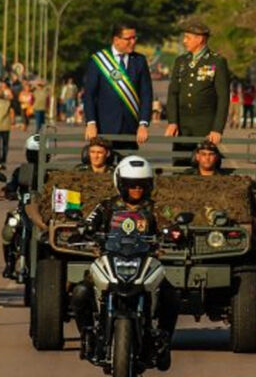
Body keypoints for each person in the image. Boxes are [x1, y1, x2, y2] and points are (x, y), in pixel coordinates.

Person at [70, 156, 177, 371]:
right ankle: (87, 335)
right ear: (120, 184)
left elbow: (171, 222)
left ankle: (164, 341)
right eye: (131, 184)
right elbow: (88, 222)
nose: (136, 189)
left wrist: (175, 233)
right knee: (81, 291)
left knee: (170, 295)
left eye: (141, 185)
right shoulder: (106, 206)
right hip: (109, 260)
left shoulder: (156, 208)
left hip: (144, 262)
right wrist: (82, 230)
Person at [165, 20, 230, 163]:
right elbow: (173, 93)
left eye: (188, 38)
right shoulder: (181, 61)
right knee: (180, 166)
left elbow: (223, 97)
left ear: (200, 39)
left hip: (205, 126)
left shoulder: (217, 61)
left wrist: (217, 129)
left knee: (205, 167)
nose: (184, 41)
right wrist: (172, 121)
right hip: (182, 127)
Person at [83, 22, 154, 150]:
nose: (133, 42)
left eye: (135, 38)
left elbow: (146, 94)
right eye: (129, 39)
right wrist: (91, 123)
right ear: (116, 40)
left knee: (129, 168)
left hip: (130, 129)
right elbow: (89, 95)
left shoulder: (139, 61)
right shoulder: (98, 60)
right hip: (104, 128)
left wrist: (143, 124)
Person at [0, 134, 42, 278]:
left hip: (42, 214)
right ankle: (9, 263)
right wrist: (7, 191)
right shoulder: (20, 171)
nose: (35, 156)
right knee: (9, 229)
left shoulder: (50, 172)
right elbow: (11, 186)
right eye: (32, 153)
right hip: (22, 211)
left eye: (38, 153)